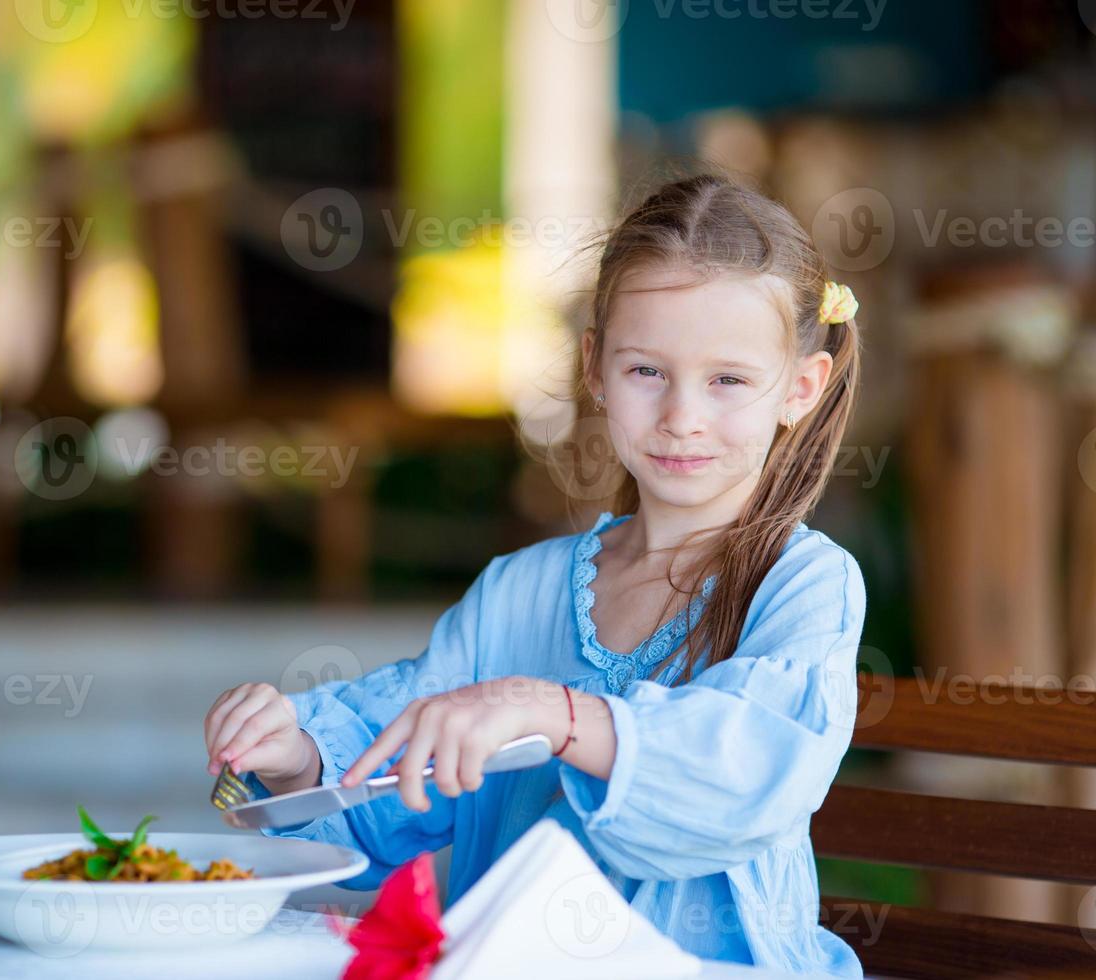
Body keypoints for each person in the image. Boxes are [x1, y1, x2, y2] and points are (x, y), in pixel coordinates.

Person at [203, 173, 867, 976]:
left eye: (727, 379)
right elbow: (399, 781)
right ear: (593, 368)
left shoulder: (803, 584)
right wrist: (299, 758)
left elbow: (747, 775)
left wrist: (553, 714)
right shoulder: (520, 593)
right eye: (645, 371)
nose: (682, 416)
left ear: (800, 389)